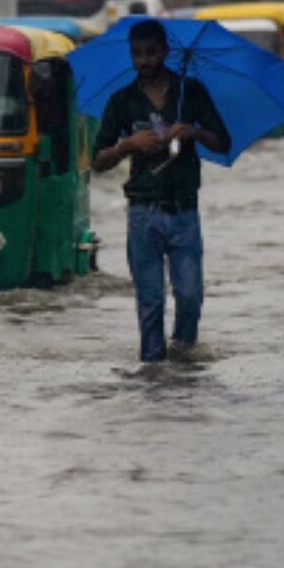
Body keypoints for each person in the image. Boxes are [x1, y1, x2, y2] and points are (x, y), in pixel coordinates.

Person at [92, 19, 232, 366]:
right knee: (150, 300)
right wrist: (128, 144)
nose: (144, 60)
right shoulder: (122, 101)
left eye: (151, 52)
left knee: (189, 295)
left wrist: (193, 133)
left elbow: (222, 142)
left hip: (184, 210)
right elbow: (97, 161)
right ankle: (153, 371)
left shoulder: (192, 92)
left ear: (165, 52)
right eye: (137, 53)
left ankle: (183, 360)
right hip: (142, 211)